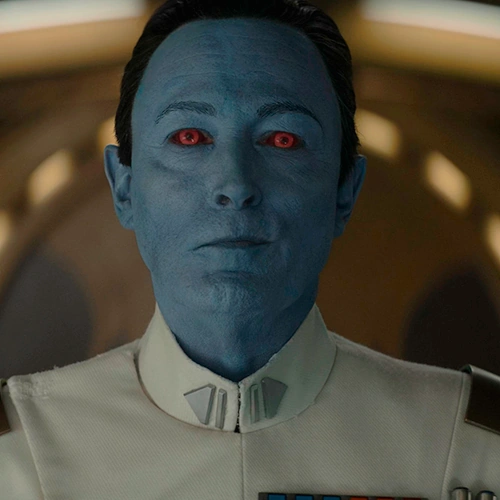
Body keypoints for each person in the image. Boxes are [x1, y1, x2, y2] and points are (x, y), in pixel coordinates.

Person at [1, 0, 499, 498]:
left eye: (282, 140)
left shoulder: (468, 450)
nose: (235, 185)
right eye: (189, 137)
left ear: (344, 192)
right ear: (124, 188)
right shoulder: (21, 454)